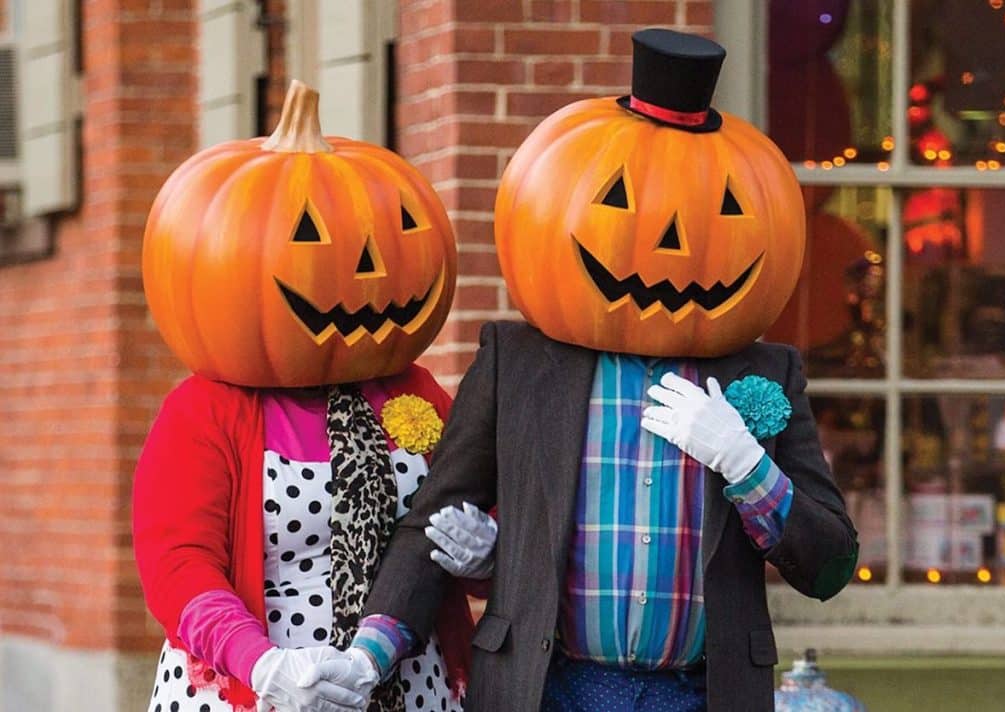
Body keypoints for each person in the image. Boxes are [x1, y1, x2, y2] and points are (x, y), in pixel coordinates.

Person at [314, 31, 859, 712]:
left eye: (723, 210)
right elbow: (434, 520)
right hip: (548, 690)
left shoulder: (767, 373)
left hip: (701, 695)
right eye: (620, 202)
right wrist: (371, 652)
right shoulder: (519, 365)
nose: (673, 246)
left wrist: (749, 467)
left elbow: (831, 564)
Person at [133, 80, 495, 712]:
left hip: (406, 684)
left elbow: (457, 536)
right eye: (307, 236)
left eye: (400, 229)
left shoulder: (417, 393)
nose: (369, 273)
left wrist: (487, 553)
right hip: (256, 682)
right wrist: (263, 664)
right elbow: (178, 562)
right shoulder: (205, 410)